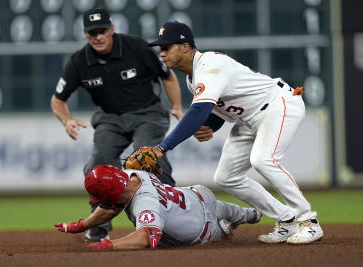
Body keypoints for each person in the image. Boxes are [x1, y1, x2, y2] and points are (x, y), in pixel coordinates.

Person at [137, 21, 323, 244]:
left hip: (277, 105)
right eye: (160, 49)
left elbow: (198, 110)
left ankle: (308, 221)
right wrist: (207, 127)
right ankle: (286, 219)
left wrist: (162, 147)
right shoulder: (192, 78)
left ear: (185, 46)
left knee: (263, 160)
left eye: (167, 47)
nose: (162, 53)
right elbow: (216, 112)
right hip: (249, 120)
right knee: (226, 177)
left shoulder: (210, 65)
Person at [51, 8, 183, 242]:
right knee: (97, 166)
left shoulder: (137, 48)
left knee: (148, 157)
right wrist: (66, 120)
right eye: (93, 34)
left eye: (102, 31)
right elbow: (57, 100)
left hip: (148, 113)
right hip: (110, 118)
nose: (98, 37)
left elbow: (168, 77)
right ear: (85, 35)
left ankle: (172, 215)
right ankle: (99, 226)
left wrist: (177, 106)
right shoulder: (80, 61)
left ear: (112, 30)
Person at [54, 165, 261, 250]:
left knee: (223, 232)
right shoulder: (131, 172)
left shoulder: (145, 205)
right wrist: (82, 225)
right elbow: (112, 206)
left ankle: (226, 228)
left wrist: (111, 245)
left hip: (204, 230)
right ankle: (253, 214)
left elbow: (147, 237)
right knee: (238, 212)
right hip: (198, 195)